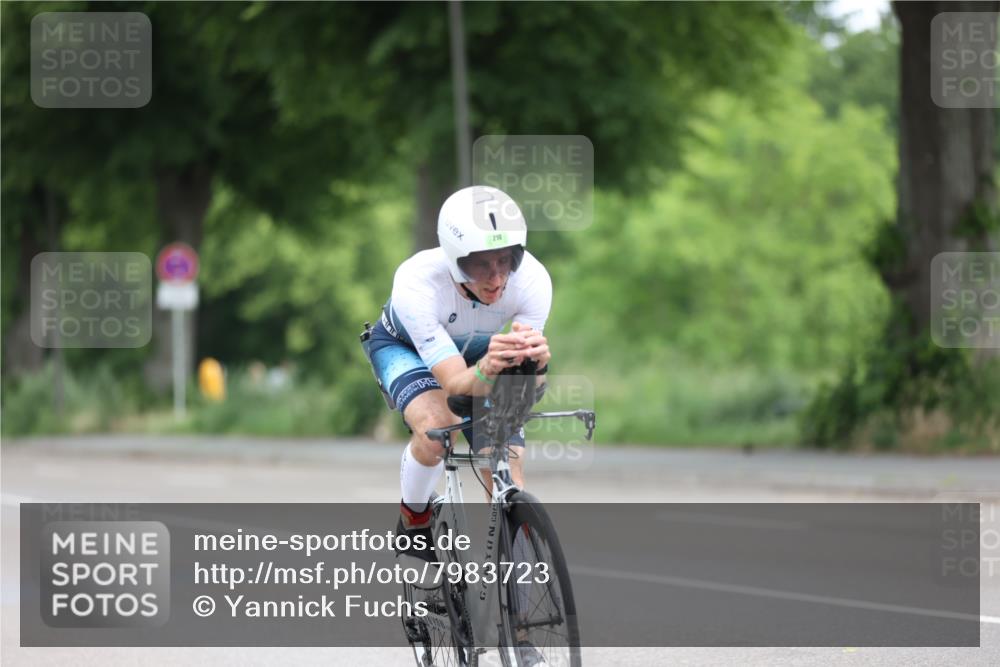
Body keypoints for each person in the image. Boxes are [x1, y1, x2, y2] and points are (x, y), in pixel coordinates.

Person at [360, 185, 552, 563]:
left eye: (506, 259)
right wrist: (487, 368)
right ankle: (413, 521)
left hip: (483, 353)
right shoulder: (417, 283)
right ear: (452, 258)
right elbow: (455, 385)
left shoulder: (533, 280)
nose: (496, 278)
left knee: (506, 462)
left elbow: (526, 394)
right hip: (407, 348)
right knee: (437, 428)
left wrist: (538, 367)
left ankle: (521, 607)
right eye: (480, 264)